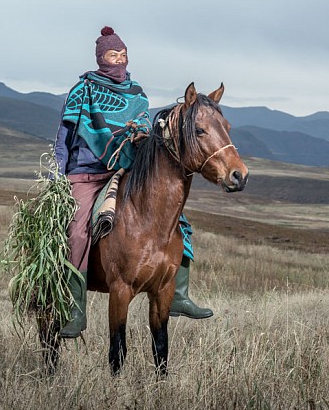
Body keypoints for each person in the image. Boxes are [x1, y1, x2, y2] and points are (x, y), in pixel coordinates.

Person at [54, 26, 213, 339]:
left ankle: (178, 294)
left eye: (124, 54)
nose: (120, 60)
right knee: (78, 228)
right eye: (114, 54)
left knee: (176, 221)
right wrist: (58, 171)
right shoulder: (82, 90)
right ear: (101, 57)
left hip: (127, 168)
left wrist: (141, 137)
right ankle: (75, 307)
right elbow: (65, 134)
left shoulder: (136, 92)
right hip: (87, 172)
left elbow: (142, 127)